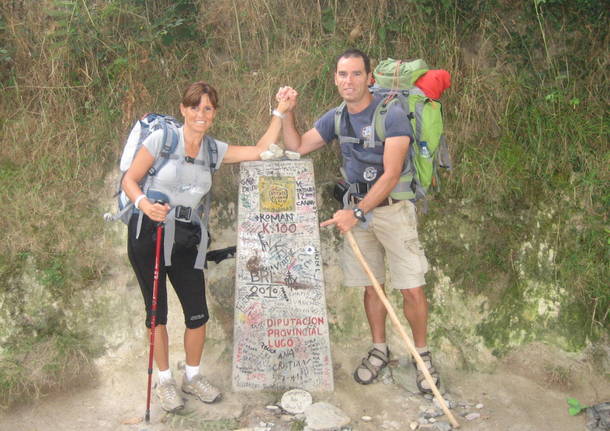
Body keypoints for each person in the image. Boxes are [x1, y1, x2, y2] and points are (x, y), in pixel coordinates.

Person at [276, 49, 440, 393]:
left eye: (355, 74)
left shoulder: (391, 114)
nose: (348, 81)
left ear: (369, 78)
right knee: (372, 287)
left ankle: (422, 356)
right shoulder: (337, 117)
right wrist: (286, 115)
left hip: (393, 210)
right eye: (342, 74)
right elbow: (298, 146)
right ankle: (380, 350)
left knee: (411, 286)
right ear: (335, 79)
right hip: (358, 214)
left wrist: (358, 212)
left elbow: (392, 173)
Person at [122, 81, 291, 412]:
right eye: (195, 107)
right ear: (183, 110)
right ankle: (165, 381)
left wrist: (279, 112)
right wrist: (143, 203)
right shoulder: (162, 139)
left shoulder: (213, 150)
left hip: (187, 236)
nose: (201, 114)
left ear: (214, 112)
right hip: (149, 232)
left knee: (197, 314)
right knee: (156, 313)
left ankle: (193, 376)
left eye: (208, 108)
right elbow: (130, 179)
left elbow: (258, 150)